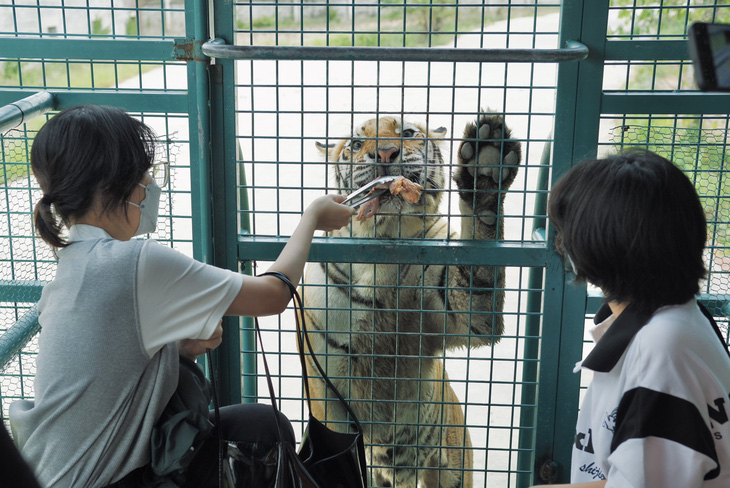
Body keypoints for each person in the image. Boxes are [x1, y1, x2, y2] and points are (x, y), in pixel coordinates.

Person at [8, 105, 356, 488]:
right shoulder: (133, 261)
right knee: (258, 434)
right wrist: (312, 219)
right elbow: (272, 296)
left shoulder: (74, 265)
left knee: (257, 425)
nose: (150, 187)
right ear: (113, 182)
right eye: (144, 175)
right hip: (107, 481)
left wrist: (177, 350)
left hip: (59, 473)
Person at [530, 149, 730, 487]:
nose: (562, 243)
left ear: (597, 247)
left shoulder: (660, 350)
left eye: (567, 231)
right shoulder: (674, 318)